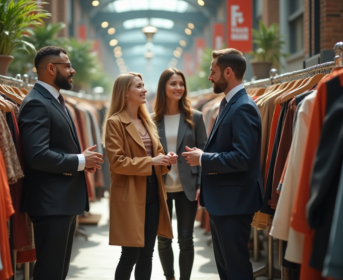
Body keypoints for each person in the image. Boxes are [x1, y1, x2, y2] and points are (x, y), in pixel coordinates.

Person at [18, 46, 104, 280]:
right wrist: (79, 160)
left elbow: (55, 147)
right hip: (51, 203)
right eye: (67, 66)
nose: (72, 70)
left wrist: (82, 160)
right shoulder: (37, 103)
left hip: (61, 202)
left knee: (57, 272)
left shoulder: (53, 99)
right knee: (49, 272)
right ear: (50, 68)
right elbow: (37, 156)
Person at [182, 48, 263, 280]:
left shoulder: (243, 106)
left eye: (213, 71)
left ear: (228, 72)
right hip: (225, 203)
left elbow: (242, 158)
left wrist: (203, 158)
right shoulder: (228, 104)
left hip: (234, 204)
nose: (209, 77)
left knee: (236, 269)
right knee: (226, 269)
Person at [103, 72, 175, 280]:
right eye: (139, 86)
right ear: (125, 93)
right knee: (130, 254)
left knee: (147, 254)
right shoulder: (115, 123)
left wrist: (165, 158)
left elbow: (158, 152)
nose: (144, 89)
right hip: (130, 193)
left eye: (143, 85)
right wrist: (152, 162)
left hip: (153, 191)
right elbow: (117, 162)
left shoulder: (146, 121)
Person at [152, 68, 207, 280]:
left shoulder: (196, 117)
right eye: (173, 84)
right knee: (163, 238)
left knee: (186, 238)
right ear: (163, 87)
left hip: (188, 187)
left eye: (181, 84)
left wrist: (202, 184)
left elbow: (203, 153)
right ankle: (170, 277)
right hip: (161, 187)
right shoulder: (151, 119)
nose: (178, 88)